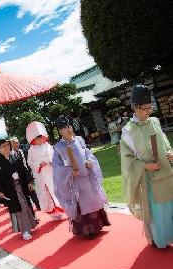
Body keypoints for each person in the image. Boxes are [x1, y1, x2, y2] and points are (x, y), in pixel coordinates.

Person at [121, 84, 173, 248]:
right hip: (148, 176)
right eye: (145, 108)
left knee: (170, 205)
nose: (149, 111)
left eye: (151, 107)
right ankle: (160, 240)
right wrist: (145, 165)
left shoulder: (155, 121)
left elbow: (164, 142)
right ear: (136, 107)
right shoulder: (128, 130)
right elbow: (127, 158)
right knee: (158, 210)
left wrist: (170, 152)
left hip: (165, 172)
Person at [52, 115, 110, 239]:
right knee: (81, 206)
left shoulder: (79, 139)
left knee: (94, 202)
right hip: (75, 183)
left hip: (88, 178)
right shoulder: (58, 148)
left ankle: (98, 225)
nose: (68, 129)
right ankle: (87, 231)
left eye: (69, 126)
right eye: (64, 128)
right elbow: (56, 168)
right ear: (59, 131)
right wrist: (69, 172)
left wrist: (90, 161)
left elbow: (87, 153)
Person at [0, 139, 37, 240]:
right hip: (9, 190)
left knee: (25, 205)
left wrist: (29, 181)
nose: (6, 147)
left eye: (7, 145)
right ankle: (24, 230)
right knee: (18, 208)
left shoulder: (14, 157)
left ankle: (30, 225)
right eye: (3, 146)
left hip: (20, 186)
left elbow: (24, 170)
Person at [26, 121, 65, 220]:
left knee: (55, 190)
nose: (39, 140)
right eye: (37, 138)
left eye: (40, 137)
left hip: (51, 172)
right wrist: (39, 165)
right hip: (41, 174)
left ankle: (61, 210)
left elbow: (54, 156)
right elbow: (30, 162)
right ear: (33, 139)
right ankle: (53, 213)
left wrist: (51, 162)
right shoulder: (31, 150)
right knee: (45, 193)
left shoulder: (48, 146)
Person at [10, 137, 41, 211]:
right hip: (20, 178)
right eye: (14, 143)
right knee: (25, 196)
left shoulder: (24, 151)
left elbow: (31, 162)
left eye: (17, 142)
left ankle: (38, 205)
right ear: (11, 145)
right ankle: (30, 211)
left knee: (33, 191)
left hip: (29, 175)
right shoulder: (11, 155)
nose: (17, 144)